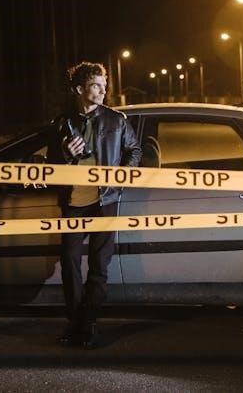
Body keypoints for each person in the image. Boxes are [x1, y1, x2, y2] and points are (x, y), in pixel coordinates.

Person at [47, 61, 141, 349]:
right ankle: (75, 322)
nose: (102, 91)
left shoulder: (116, 120)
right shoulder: (61, 123)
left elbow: (134, 151)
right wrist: (65, 153)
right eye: (96, 86)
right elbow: (50, 165)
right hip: (73, 202)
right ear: (79, 89)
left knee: (99, 266)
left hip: (104, 201)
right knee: (69, 263)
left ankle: (87, 324)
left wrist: (119, 180)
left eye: (104, 86)